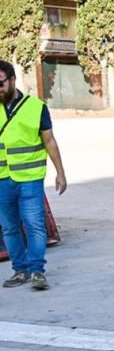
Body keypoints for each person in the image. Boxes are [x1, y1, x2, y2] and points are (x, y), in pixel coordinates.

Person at [0, 60, 68, 291]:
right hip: (2, 179)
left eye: (0, 84)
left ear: (12, 80)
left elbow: (49, 140)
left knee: (34, 225)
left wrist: (60, 172)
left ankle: (37, 270)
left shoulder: (36, 107)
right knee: (9, 227)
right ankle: (20, 270)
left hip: (30, 177)